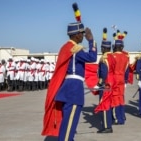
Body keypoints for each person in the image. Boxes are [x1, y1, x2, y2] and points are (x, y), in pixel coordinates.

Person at [41, 3, 97, 140]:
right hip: (73, 90)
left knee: (67, 124)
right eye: (82, 34)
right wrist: (91, 41)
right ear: (77, 35)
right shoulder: (74, 49)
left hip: (69, 88)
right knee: (69, 126)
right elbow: (92, 57)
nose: (84, 36)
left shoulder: (67, 47)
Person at [94, 28, 115, 133]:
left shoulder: (104, 59)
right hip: (112, 84)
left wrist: (99, 83)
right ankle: (109, 124)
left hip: (105, 85)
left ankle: (107, 127)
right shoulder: (112, 57)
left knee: (104, 105)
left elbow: (103, 73)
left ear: (103, 48)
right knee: (109, 105)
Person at [111, 30, 130, 125]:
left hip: (114, 79)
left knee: (114, 99)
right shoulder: (126, 57)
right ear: (122, 47)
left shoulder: (111, 56)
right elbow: (127, 71)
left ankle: (116, 118)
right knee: (121, 99)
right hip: (122, 79)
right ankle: (122, 117)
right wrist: (126, 81)